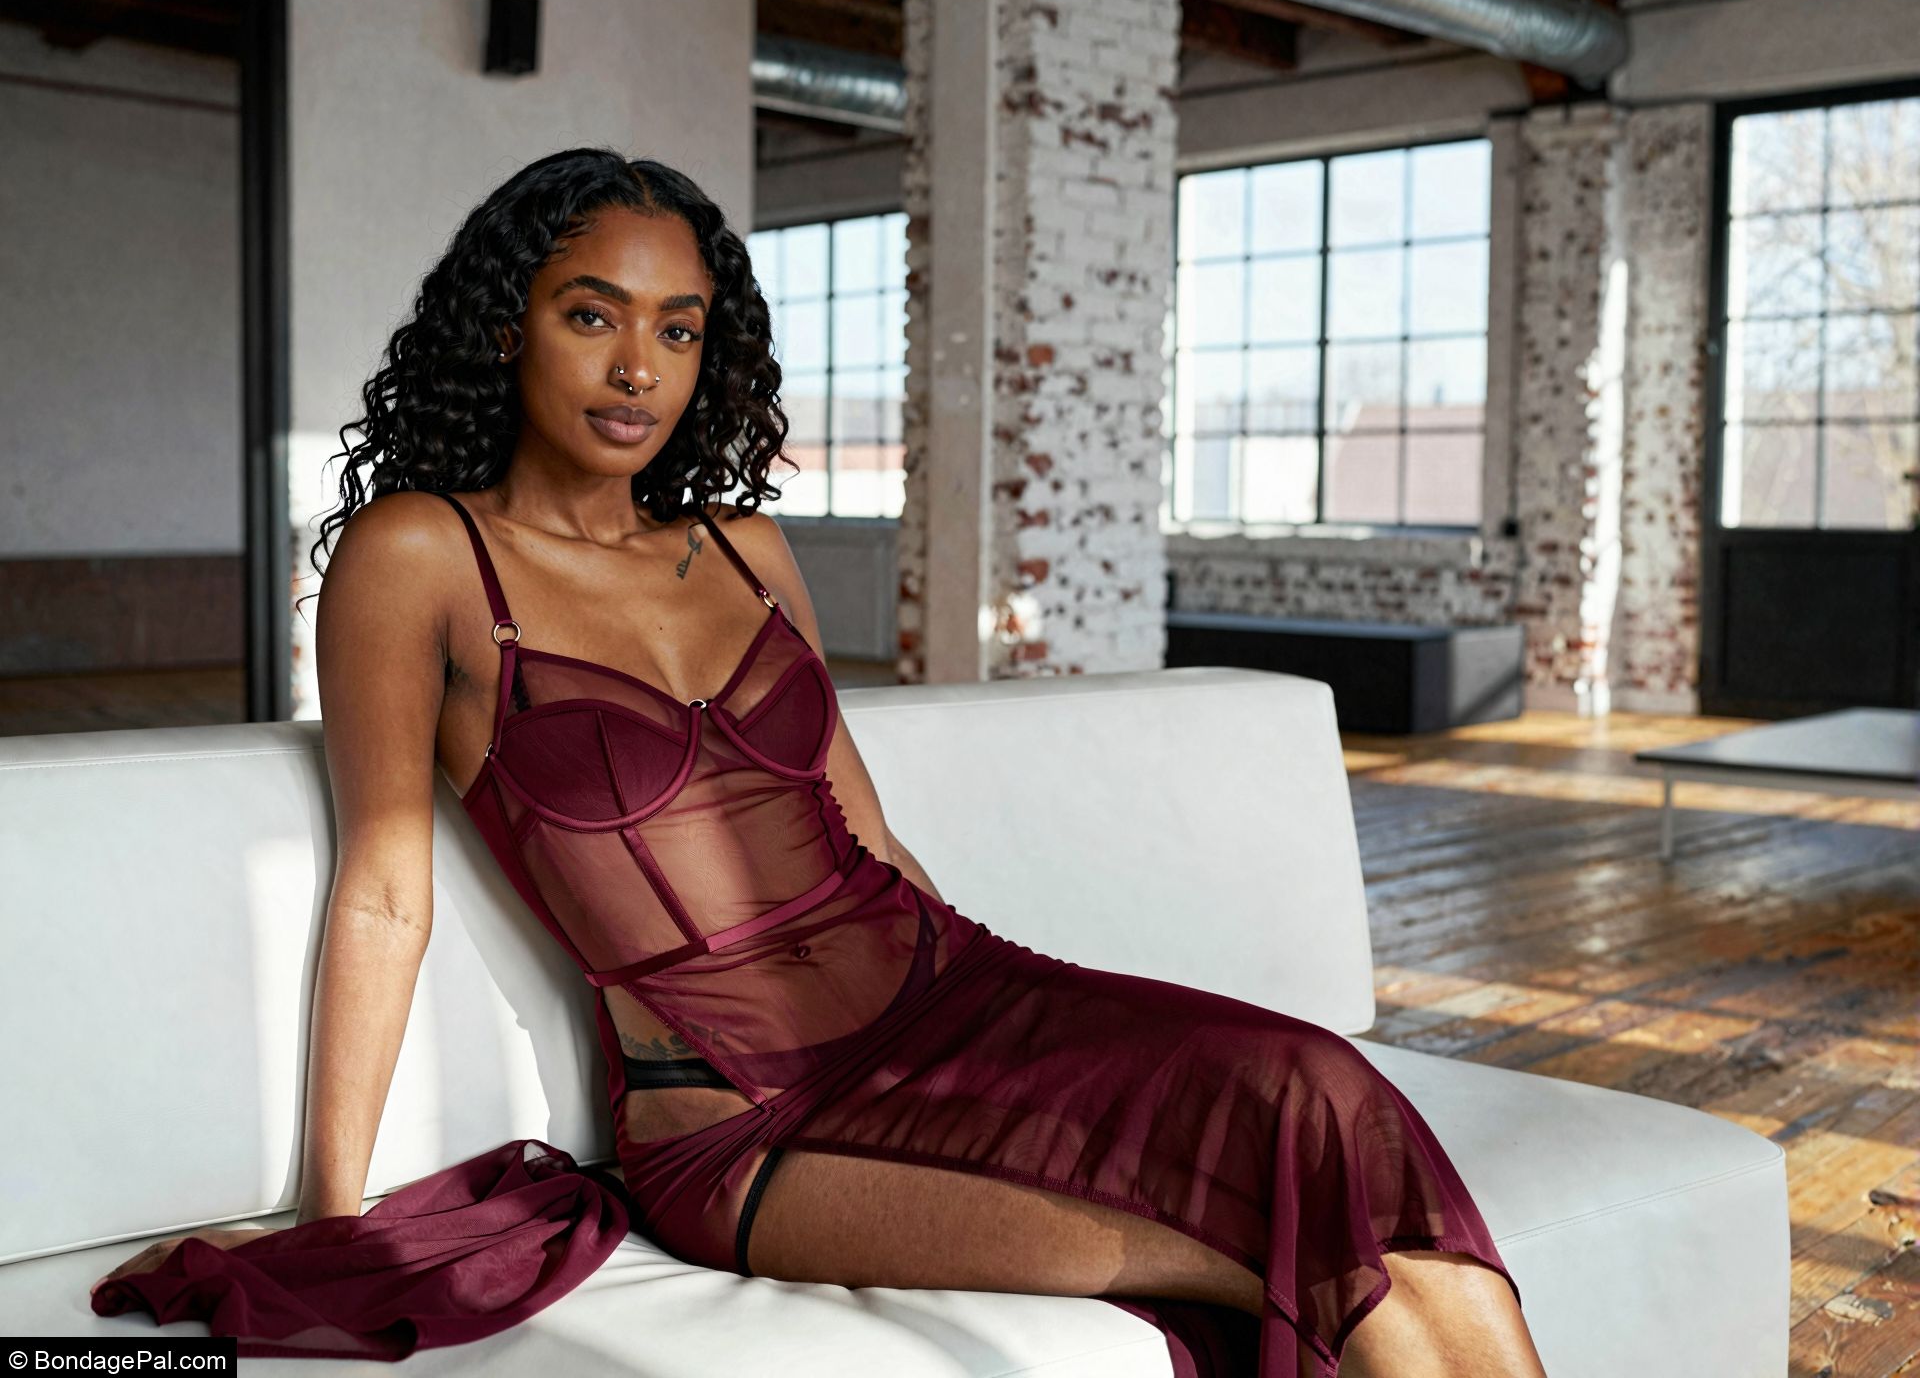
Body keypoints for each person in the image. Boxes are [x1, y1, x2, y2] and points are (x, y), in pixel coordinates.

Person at [90, 149, 1546, 1378]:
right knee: (1333, 1263)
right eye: (591, 313)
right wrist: (329, 1213)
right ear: (506, 324)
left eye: (677, 327)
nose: (635, 367)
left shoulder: (749, 545)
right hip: (746, 1123)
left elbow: (864, 831)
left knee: (1318, 1090)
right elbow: (384, 894)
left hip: (949, 994)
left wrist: (1023, 1013)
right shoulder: (419, 554)